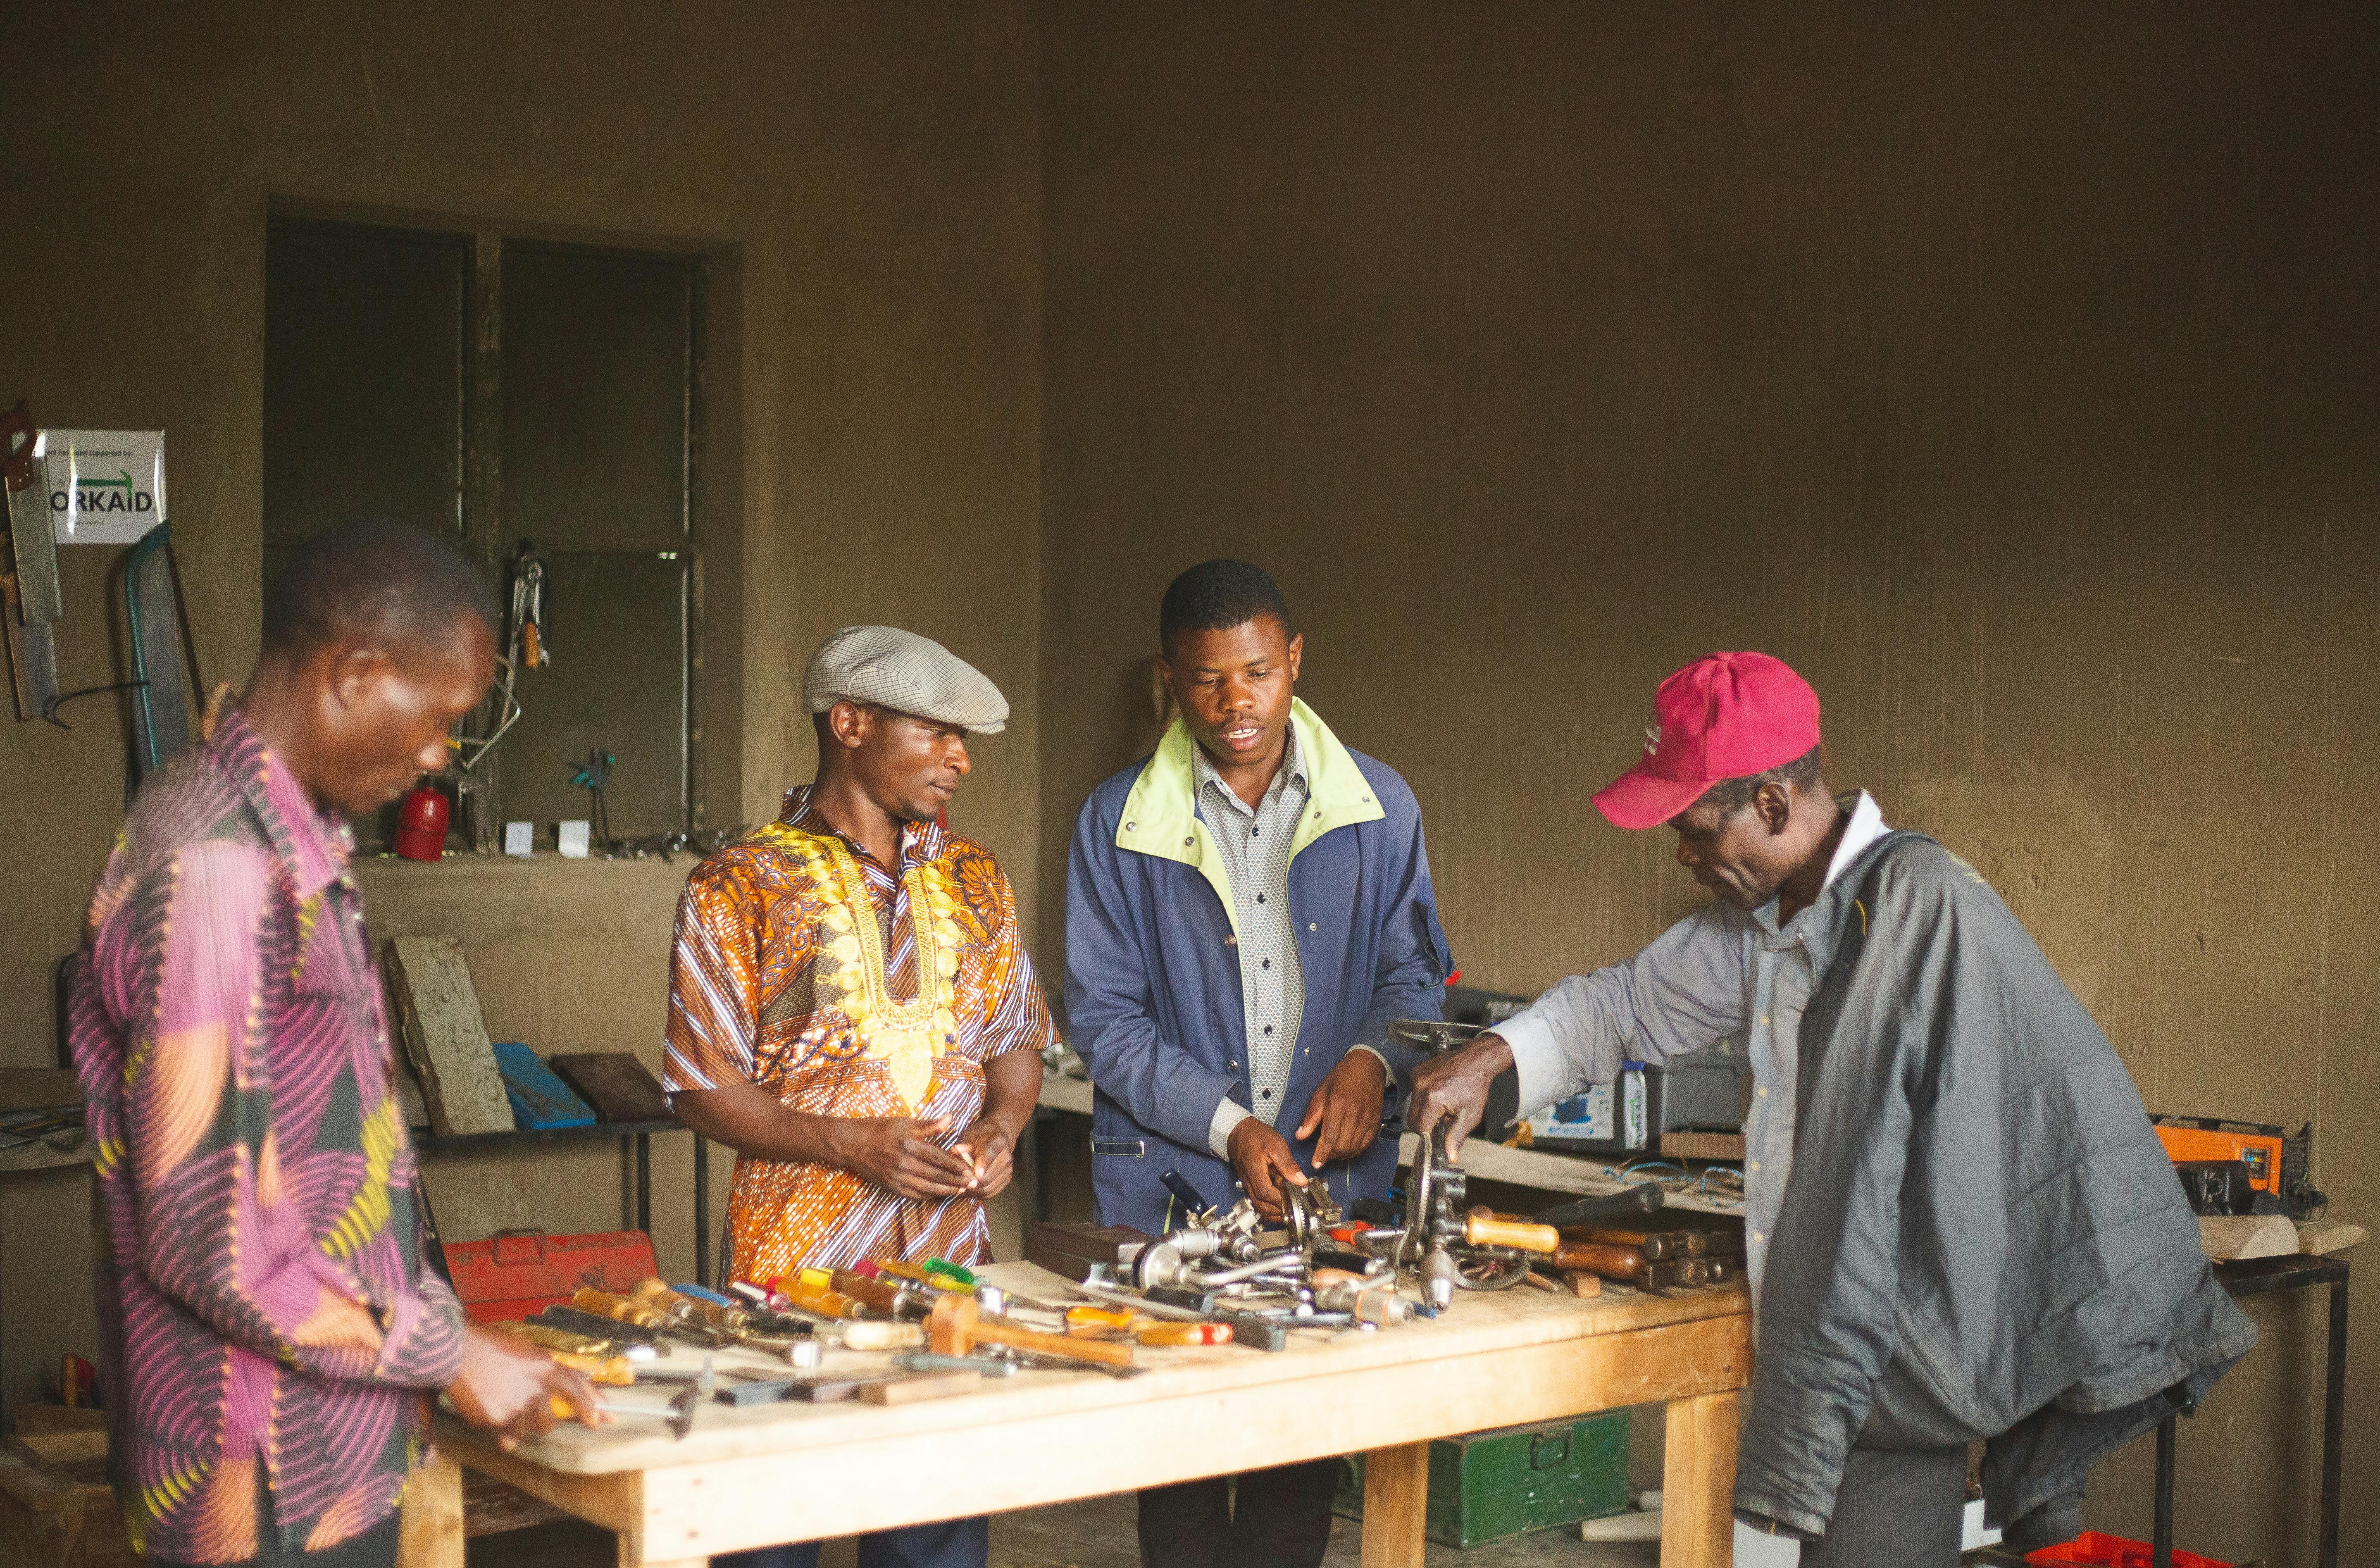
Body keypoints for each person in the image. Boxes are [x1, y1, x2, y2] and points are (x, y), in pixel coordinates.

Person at [1406, 651, 2255, 1565]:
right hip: (1865, 1354)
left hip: (1897, 1344)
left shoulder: (1912, 912)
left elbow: (1860, 1201)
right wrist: (1489, 1058)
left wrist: (1796, 1452)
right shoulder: (1768, 920)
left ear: (1772, 805)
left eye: (1692, 829)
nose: (1684, 856)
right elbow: (1622, 1007)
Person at [67, 522, 598, 1568]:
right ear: (355, 675)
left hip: (327, 1451)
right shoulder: (217, 870)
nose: (441, 753)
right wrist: (448, 1355)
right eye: (443, 716)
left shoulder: (283, 841)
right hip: (260, 1478)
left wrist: (445, 1340)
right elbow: (210, 1239)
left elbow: (332, 1166)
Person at [1066, 560, 1454, 1568]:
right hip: (1177, 1191)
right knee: (1183, 1474)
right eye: (1205, 679)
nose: (1235, 703)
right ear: (1169, 677)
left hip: (1325, 1194)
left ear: (1294, 659)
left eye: (1255, 672)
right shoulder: (1116, 823)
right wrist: (1231, 1125)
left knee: (1298, 1469)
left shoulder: (1379, 805)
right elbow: (1104, 1020)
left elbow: (1417, 975)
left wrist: (1372, 1060)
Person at [667, 625, 1055, 1568]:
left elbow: (1016, 1042)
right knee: (771, 1528)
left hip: (944, 1266)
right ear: (850, 723)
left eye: (967, 740)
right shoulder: (739, 883)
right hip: (786, 1273)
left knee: (937, 1531)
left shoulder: (977, 881)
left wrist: (1003, 1125)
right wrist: (847, 1142)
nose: (961, 758)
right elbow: (698, 1088)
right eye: (938, 734)